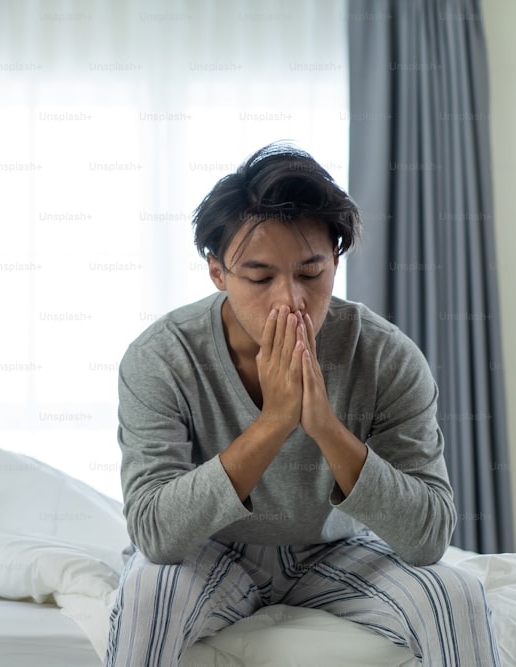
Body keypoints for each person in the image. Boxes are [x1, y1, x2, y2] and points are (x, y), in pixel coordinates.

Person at [105, 143, 500, 666]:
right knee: (145, 596)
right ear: (217, 272)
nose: (289, 299)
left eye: (310, 274)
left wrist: (326, 429)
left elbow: (427, 537)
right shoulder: (161, 357)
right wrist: (273, 423)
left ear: (335, 261)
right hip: (211, 548)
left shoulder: (386, 356)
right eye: (260, 277)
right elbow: (156, 533)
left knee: (460, 597)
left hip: (339, 550)